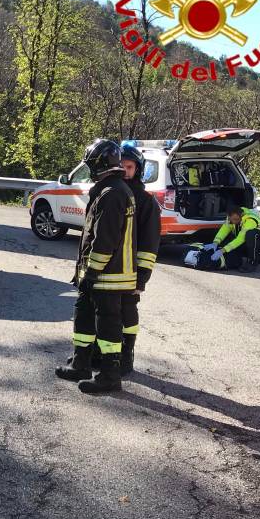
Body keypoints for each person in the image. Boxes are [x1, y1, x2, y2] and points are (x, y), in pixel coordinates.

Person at [56, 138, 137, 394]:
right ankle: (81, 363)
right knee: (84, 315)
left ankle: (110, 375)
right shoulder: (108, 189)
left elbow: (104, 240)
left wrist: (91, 272)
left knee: (108, 323)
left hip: (108, 276)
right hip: (99, 274)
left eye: (91, 165)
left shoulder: (113, 193)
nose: (89, 169)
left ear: (99, 164)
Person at [118, 144, 161, 377]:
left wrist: (141, 278)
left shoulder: (146, 202)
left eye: (130, 167)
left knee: (128, 312)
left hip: (131, 272)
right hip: (110, 270)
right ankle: (104, 355)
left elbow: (150, 244)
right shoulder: (110, 193)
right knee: (104, 313)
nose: (125, 171)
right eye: (121, 166)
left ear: (138, 169)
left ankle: (127, 354)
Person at [207, 203, 260, 271]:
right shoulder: (232, 218)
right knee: (230, 242)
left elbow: (241, 239)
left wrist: (223, 250)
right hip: (253, 240)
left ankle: (253, 262)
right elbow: (224, 230)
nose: (233, 222)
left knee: (250, 234)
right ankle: (258, 258)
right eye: (231, 220)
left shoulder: (250, 220)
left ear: (241, 215)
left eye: (235, 219)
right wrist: (215, 243)